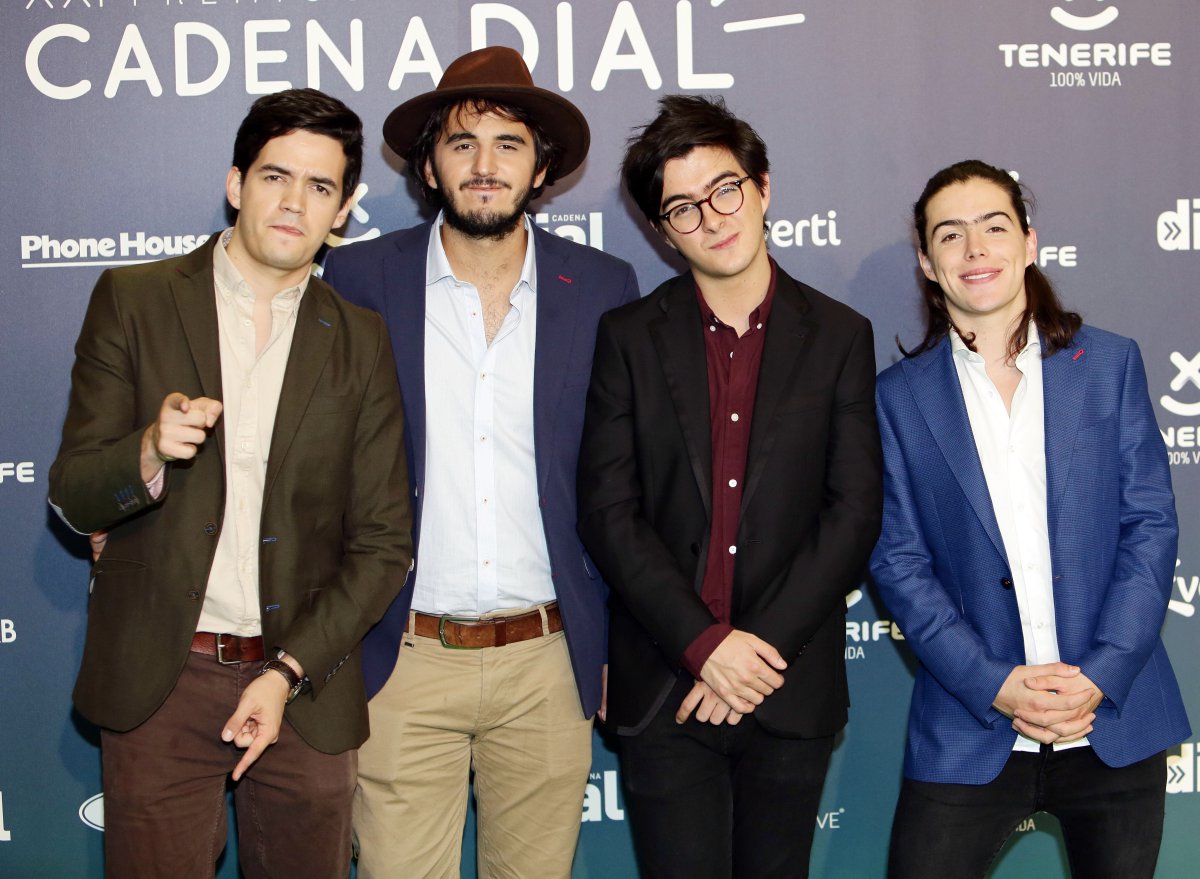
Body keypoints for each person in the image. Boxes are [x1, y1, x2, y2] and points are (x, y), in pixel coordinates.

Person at [48, 88, 413, 879]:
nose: (294, 202)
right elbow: (74, 494)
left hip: (305, 686)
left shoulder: (360, 339)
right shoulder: (135, 300)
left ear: (343, 208)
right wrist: (148, 451)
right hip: (161, 680)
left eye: (320, 186)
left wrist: (287, 672)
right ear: (236, 183)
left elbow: (384, 542)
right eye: (276, 176)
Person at [321, 46, 640, 878]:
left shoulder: (602, 287)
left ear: (542, 168)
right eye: (462, 143)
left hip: (548, 658)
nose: (485, 164)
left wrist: (617, 638)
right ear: (430, 166)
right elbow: (311, 460)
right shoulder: (357, 278)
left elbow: (624, 481)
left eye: (508, 143)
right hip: (401, 656)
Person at [576, 94, 883, 879]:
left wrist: (754, 653)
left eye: (725, 190)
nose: (712, 218)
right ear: (662, 230)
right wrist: (705, 645)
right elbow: (609, 512)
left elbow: (853, 513)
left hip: (789, 681)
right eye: (683, 208)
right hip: (666, 682)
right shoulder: (628, 337)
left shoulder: (840, 335)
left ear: (762, 186)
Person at [870, 159, 1190, 878]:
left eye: (994, 226)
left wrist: (1100, 673)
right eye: (950, 234)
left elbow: (1149, 526)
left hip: (1112, 718)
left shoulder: (1109, 365)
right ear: (927, 263)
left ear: (1029, 242)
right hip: (970, 722)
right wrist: (995, 683)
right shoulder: (896, 398)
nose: (974, 249)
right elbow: (899, 561)